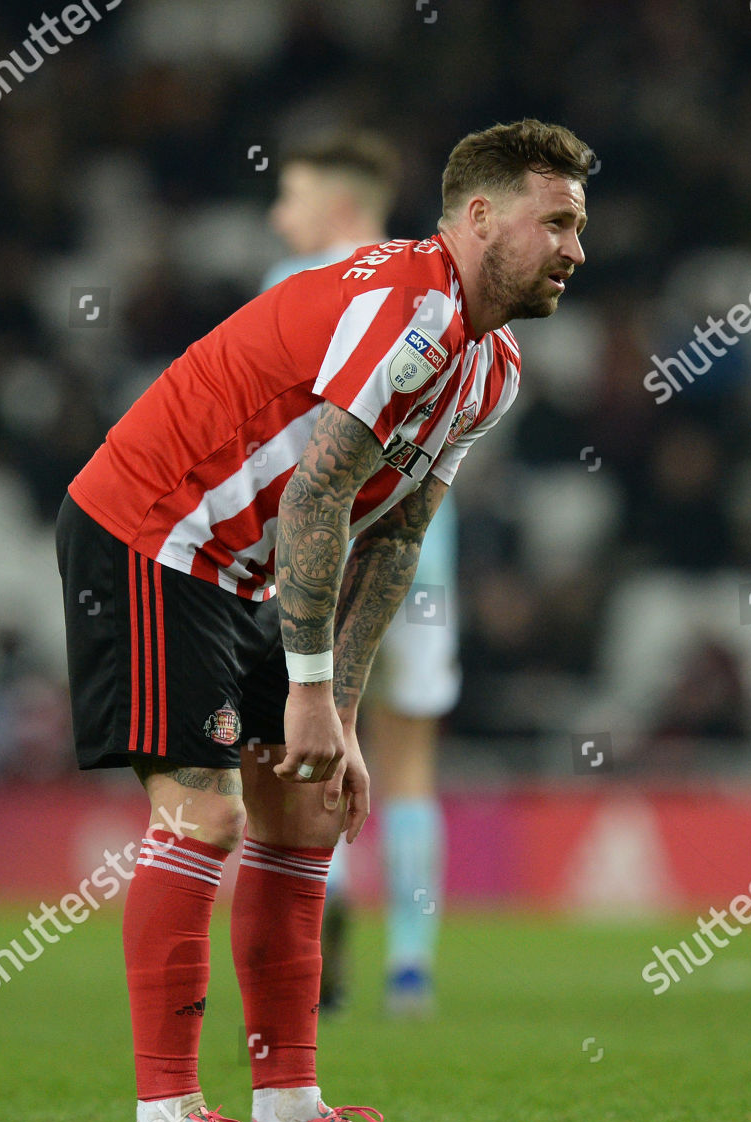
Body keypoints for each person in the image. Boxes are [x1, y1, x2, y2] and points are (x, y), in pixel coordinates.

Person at [55, 118, 590, 1122]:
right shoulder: (408, 307)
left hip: (239, 564)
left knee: (304, 800)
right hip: (153, 529)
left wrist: (340, 712)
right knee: (205, 808)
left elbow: (393, 537)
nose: (577, 248)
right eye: (558, 222)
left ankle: (291, 1104)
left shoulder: (491, 368)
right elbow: (316, 496)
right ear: (480, 218)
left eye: (579, 226)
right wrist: (308, 693)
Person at [262, 130, 461, 1016]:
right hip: (420, 557)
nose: (279, 216)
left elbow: (276, 449)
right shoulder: (436, 290)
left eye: (291, 197)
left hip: (316, 556)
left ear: (338, 207)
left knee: (311, 749)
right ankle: (411, 966)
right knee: (408, 762)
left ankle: (321, 933)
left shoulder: (294, 289)